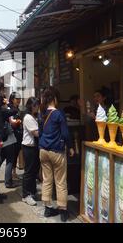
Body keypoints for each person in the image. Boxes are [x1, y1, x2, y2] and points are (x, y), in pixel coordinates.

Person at [39, 87, 75, 222]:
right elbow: (65, 133)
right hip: (56, 151)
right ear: (54, 99)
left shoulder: (42, 114)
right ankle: (63, 210)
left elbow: (40, 132)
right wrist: (70, 147)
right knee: (60, 181)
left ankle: (47, 208)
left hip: (43, 151)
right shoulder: (58, 114)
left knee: (47, 180)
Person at [21, 97, 41, 206]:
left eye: (37, 105)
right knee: (28, 172)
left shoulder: (36, 116)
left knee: (34, 171)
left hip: (34, 147)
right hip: (29, 147)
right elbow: (36, 133)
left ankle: (32, 192)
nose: (37, 107)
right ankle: (26, 195)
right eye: (35, 105)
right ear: (30, 106)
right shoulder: (28, 117)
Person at [8, 92, 23, 181]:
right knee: (11, 155)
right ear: (12, 99)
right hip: (11, 135)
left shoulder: (17, 108)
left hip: (18, 134)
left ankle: (14, 173)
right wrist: (19, 121)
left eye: (20, 99)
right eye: (17, 99)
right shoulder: (10, 108)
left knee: (16, 153)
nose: (19, 101)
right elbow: (12, 122)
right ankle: (10, 174)